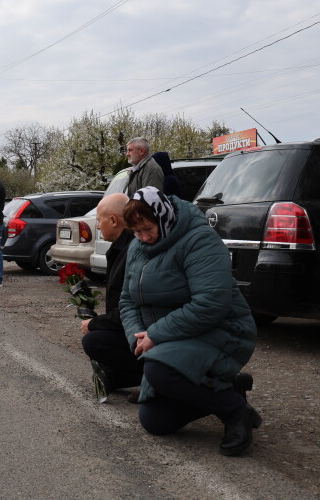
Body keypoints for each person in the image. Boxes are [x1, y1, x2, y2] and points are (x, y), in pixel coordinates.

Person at [119, 186, 258, 456]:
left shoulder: (199, 240)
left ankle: (236, 411)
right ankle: (228, 387)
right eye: (136, 232)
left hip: (220, 331)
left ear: (163, 217)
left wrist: (155, 334)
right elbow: (127, 300)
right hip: (172, 337)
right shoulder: (137, 247)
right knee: (155, 422)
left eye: (147, 229)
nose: (143, 237)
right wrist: (136, 336)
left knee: (159, 370)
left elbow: (211, 304)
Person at [81, 193, 144, 402]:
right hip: (128, 327)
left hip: (141, 331)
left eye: (99, 220)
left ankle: (149, 376)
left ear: (114, 220)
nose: (98, 226)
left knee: (93, 341)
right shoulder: (119, 249)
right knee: (107, 373)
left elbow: (131, 309)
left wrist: (95, 323)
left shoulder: (132, 251)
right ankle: (131, 375)